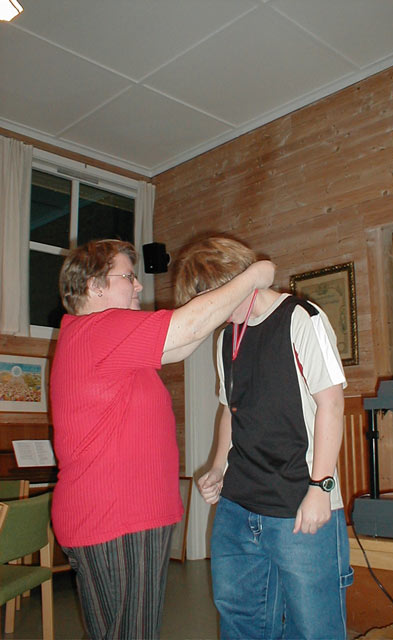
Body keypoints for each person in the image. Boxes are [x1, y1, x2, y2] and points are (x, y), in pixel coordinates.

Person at [49, 238, 274, 640]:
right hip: (116, 518)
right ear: (94, 286)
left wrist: (226, 306)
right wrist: (254, 275)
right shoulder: (98, 330)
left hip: (119, 516)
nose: (138, 285)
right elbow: (187, 326)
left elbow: (183, 343)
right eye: (128, 277)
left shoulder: (100, 339)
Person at [175, 236, 353, 640]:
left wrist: (320, 487)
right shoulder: (227, 338)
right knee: (241, 625)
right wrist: (218, 467)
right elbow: (230, 409)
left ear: (234, 280)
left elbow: (332, 404)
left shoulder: (302, 318)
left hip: (299, 504)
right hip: (237, 507)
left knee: (314, 630)